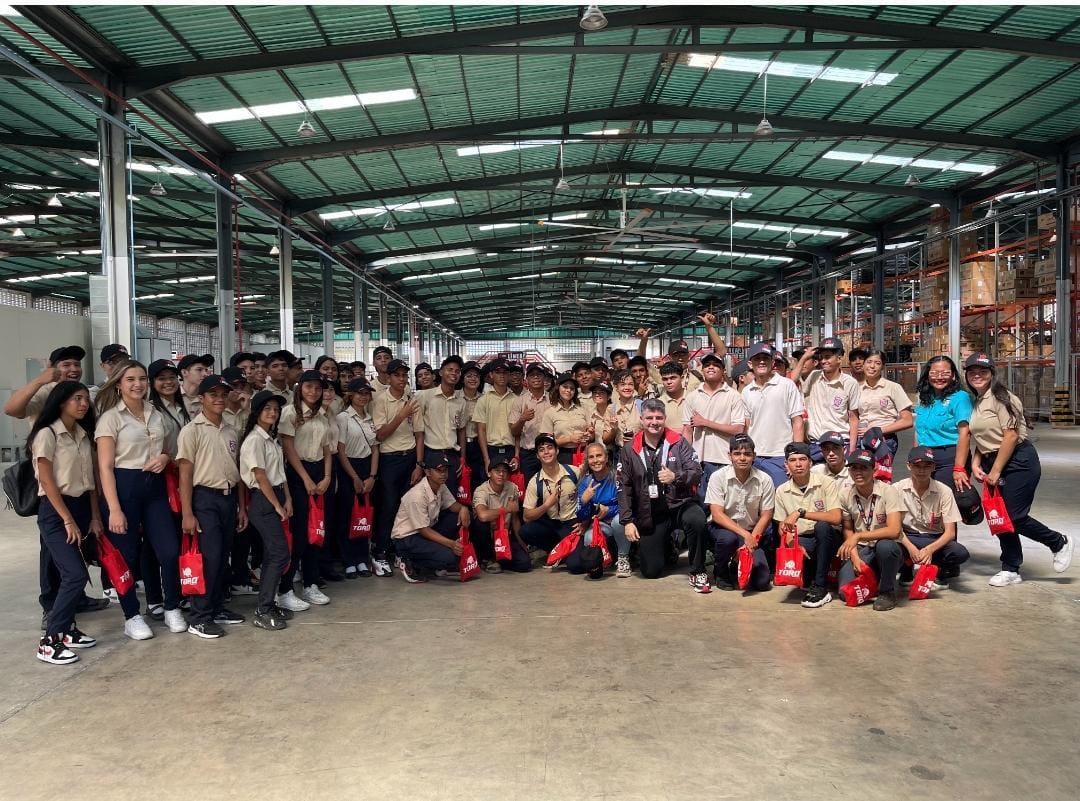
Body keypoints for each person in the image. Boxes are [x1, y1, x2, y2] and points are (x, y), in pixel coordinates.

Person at [963, 353, 1073, 586]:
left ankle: (1058, 542)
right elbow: (983, 437)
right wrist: (975, 462)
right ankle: (1011, 568)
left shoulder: (1003, 398)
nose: (977, 375)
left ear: (992, 373)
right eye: (972, 371)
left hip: (1018, 461)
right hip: (992, 460)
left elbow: (1011, 436)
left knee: (1015, 515)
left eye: (983, 371)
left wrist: (996, 470)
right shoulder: (978, 401)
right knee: (999, 516)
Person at [94, 359, 183, 639]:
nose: (138, 384)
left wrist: (164, 457)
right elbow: (105, 467)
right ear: (119, 384)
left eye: (142, 379)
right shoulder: (111, 418)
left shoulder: (156, 413)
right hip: (124, 488)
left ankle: (171, 607)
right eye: (130, 379)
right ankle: (131, 615)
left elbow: (171, 448)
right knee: (126, 557)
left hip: (154, 489)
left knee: (169, 551)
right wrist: (114, 509)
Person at [30, 381, 101, 664]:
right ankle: (50, 640)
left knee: (68, 574)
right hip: (56, 510)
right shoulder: (47, 434)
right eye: (76, 399)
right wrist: (68, 520)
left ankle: (67, 630)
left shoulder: (84, 435)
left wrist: (94, 517)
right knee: (74, 575)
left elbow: (92, 482)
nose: (83, 404)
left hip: (81, 507)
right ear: (61, 402)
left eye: (85, 399)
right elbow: (47, 481)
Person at [176, 374, 246, 639]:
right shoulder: (192, 431)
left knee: (222, 556)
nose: (218, 399)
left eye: (222, 394)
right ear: (201, 399)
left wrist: (241, 507)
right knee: (209, 558)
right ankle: (200, 616)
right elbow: (185, 474)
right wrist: (187, 513)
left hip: (228, 498)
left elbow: (236, 470)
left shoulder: (230, 430)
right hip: (204, 499)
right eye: (212, 394)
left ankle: (216, 607)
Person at [616, 399, 706, 583]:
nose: (654, 422)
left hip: (680, 504)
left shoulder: (678, 442)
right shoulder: (629, 449)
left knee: (697, 520)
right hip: (651, 512)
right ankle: (667, 546)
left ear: (665, 419)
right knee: (650, 571)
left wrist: (676, 477)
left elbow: (696, 472)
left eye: (658, 418)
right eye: (649, 418)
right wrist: (627, 521)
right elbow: (623, 486)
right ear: (641, 419)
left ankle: (698, 570)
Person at [238, 391, 294, 630]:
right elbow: (260, 476)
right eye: (267, 408)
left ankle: (268, 602)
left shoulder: (271, 438)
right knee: (279, 553)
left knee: (275, 553)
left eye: (276, 409)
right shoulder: (254, 440)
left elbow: (280, 473)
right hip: (264, 501)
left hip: (277, 495)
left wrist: (288, 499)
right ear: (257, 412)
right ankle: (263, 609)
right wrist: (277, 505)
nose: (273, 412)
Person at [278, 370, 333, 607]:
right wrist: (306, 480)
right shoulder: (289, 414)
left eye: (318, 388)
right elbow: (288, 448)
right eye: (309, 387)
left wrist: (327, 476)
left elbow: (327, 449)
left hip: (319, 473)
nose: (313, 392)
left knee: (317, 531)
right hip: (297, 475)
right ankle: (286, 589)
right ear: (300, 388)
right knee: (299, 535)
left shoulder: (322, 416)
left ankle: (311, 584)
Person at [773, 442, 843, 608]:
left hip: (829, 537)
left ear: (810, 462)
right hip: (803, 538)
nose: (798, 464)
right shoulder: (782, 490)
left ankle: (821, 588)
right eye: (793, 460)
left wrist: (801, 513)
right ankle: (811, 577)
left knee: (822, 526)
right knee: (802, 567)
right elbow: (781, 526)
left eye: (803, 459)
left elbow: (836, 517)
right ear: (786, 464)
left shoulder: (826, 483)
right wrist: (793, 544)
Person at [705, 434, 776, 593]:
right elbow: (716, 514)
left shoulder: (765, 479)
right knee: (727, 539)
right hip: (724, 530)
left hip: (752, 532)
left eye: (747, 454)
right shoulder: (718, 477)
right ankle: (721, 571)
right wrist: (745, 536)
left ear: (754, 456)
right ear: (729, 456)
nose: (742, 458)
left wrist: (751, 539)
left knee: (762, 582)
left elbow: (766, 514)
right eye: (737, 454)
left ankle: (736, 565)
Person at [371, 358, 422, 577]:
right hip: (389, 459)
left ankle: (401, 550)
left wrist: (419, 464)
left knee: (406, 507)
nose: (401, 379)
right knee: (389, 506)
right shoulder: (381, 401)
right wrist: (401, 415)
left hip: (409, 458)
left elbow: (419, 433)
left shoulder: (413, 400)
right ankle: (380, 552)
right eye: (397, 375)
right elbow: (380, 434)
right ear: (389, 378)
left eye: (404, 375)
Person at [894, 446, 971, 588]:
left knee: (959, 553)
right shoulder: (897, 489)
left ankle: (938, 568)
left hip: (934, 537)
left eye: (927, 466)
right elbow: (895, 528)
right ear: (908, 466)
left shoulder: (944, 491)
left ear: (934, 467)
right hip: (907, 536)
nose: (922, 470)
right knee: (888, 549)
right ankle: (906, 567)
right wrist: (911, 548)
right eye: (917, 466)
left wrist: (929, 550)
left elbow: (950, 533)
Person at [836, 449, 904, 611]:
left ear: (874, 470)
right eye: (854, 468)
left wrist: (859, 536)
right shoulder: (845, 494)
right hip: (862, 549)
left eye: (864, 468)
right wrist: (854, 558)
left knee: (886, 547)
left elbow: (894, 530)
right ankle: (877, 578)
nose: (858, 472)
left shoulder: (889, 491)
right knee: (845, 593)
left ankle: (887, 592)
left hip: (886, 546)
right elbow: (847, 529)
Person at [390, 451, 472, 583]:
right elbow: (424, 530)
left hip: (424, 532)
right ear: (428, 472)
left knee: (460, 517)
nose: (444, 474)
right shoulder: (417, 495)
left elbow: (453, 505)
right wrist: (451, 544)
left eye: (445, 470)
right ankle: (410, 563)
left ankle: (431, 564)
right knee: (451, 557)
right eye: (439, 471)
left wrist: (464, 508)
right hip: (407, 539)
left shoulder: (440, 486)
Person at [681, 351, 749, 498]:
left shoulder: (734, 396)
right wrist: (687, 458)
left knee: (725, 503)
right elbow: (687, 430)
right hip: (699, 461)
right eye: (707, 365)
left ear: (723, 371)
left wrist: (705, 423)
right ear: (702, 370)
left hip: (724, 460)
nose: (711, 367)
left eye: (716, 365)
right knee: (701, 504)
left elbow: (738, 429)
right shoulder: (692, 397)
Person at [742, 342, 806, 486]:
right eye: (758, 359)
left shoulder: (787, 385)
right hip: (755, 457)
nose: (762, 362)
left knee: (781, 500)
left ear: (772, 362)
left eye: (766, 358)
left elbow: (798, 422)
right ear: (750, 364)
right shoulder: (746, 391)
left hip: (780, 456)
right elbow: (747, 426)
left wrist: (795, 457)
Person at [334, 378, 380, 579]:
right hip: (349, 469)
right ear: (350, 395)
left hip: (367, 467)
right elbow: (341, 451)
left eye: (367, 393)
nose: (364, 397)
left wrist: (372, 476)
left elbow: (375, 448)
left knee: (365, 516)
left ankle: (362, 558)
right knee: (346, 516)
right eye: (360, 393)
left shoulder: (370, 418)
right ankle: (349, 560)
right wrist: (354, 476)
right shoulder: (343, 418)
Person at [519, 434, 585, 567]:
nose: (546, 452)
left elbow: (587, 499)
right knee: (525, 530)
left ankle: (564, 553)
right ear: (538, 455)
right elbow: (526, 516)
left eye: (550, 448)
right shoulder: (534, 481)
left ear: (557, 450)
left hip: (571, 523)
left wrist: (584, 522)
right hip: (552, 524)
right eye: (541, 450)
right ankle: (556, 550)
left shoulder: (574, 472)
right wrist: (546, 505)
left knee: (576, 566)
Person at [912, 355, 973, 488]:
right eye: (934, 373)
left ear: (953, 376)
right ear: (927, 375)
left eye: (945, 373)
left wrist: (959, 467)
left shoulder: (960, 398)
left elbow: (965, 433)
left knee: (945, 501)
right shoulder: (926, 399)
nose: (939, 377)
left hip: (949, 458)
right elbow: (919, 431)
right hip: (925, 458)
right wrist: (915, 458)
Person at [797, 338, 860, 456]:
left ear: (839, 358)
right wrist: (805, 357)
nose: (823, 361)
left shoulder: (850, 383)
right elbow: (792, 381)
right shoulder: (813, 376)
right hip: (815, 444)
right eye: (821, 357)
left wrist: (852, 449)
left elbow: (853, 417)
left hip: (840, 444)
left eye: (827, 357)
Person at [417, 356, 467, 496]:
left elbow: (461, 430)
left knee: (451, 496)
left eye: (457, 371)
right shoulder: (424, 396)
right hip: (431, 454)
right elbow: (417, 431)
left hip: (452, 456)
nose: (454, 373)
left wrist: (462, 459)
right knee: (430, 496)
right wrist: (419, 462)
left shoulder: (460, 402)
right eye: (450, 369)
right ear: (440, 372)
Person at [575, 443, 626, 578]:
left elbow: (627, 506)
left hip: (620, 524)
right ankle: (598, 565)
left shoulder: (618, 477)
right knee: (588, 537)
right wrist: (584, 501)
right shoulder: (585, 482)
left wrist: (609, 509)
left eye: (599, 455)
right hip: (601, 526)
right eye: (591, 457)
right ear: (587, 461)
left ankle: (623, 557)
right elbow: (581, 516)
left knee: (618, 521)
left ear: (606, 457)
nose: (596, 460)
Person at [471, 459, 531, 573]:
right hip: (487, 537)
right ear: (489, 473)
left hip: (504, 536)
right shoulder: (481, 490)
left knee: (525, 564)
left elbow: (515, 520)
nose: (501, 474)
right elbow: (483, 515)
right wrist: (506, 509)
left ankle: (499, 561)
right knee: (480, 523)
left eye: (504, 471)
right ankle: (486, 558)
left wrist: (522, 544)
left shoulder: (512, 488)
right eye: (497, 471)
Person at [857, 350, 913, 455]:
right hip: (861, 441)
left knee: (880, 471)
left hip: (884, 440)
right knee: (862, 472)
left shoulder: (893, 387)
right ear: (863, 364)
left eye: (877, 363)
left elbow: (908, 420)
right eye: (869, 362)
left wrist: (878, 431)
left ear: (882, 367)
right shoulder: (857, 389)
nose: (872, 366)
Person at [472, 358, 517, 476]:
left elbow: (519, 432)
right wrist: (486, 459)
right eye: (498, 372)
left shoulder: (516, 400)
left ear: (509, 375)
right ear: (491, 375)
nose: (502, 376)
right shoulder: (483, 400)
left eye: (505, 372)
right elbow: (481, 430)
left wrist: (516, 456)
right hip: (491, 451)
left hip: (510, 451)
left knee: (511, 489)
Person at [509, 362, 551, 480]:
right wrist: (522, 419)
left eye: (539, 374)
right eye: (532, 375)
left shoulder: (553, 400)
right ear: (526, 379)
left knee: (551, 488)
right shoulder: (519, 401)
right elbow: (514, 432)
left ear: (544, 378)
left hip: (549, 451)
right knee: (531, 491)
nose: (536, 377)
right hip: (528, 454)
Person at [539, 372, 592, 465]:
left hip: (584, 453)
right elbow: (546, 443)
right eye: (565, 387)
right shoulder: (550, 412)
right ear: (558, 388)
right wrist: (569, 439)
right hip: (562, 456)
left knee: (585, 479)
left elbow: (591, 433)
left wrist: (589, 435)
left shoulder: (582, 409)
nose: (568, 390)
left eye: (572, 388)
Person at [460, 361, 486, 486]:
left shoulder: (484, 399)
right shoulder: (455, 397)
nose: (473, 379)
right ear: (462, 378)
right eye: (469, 375)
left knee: (477, 478)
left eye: (476, 376)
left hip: (478, 445)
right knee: (460, 478)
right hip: (459, 444)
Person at [610, 369, 642, 448]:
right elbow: (606, 439)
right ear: (616, 387)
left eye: (630, 384)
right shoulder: (611, 408)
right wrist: (613, 429)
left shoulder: (641, 405)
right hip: (619, 453)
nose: (627, 387)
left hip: (639, 450)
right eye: (623, 384)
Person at [177, 353, 214, 417]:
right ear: (184, 372)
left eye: (206, 370)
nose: (205, 374)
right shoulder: (173, 397)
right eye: (199, 370)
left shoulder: (208, 398)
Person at [658, 361, 689, 431]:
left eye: (673, 378)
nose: (669, 382)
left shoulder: (693, 398)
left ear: (682, 378)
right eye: (665, 379)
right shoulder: (658, 403)